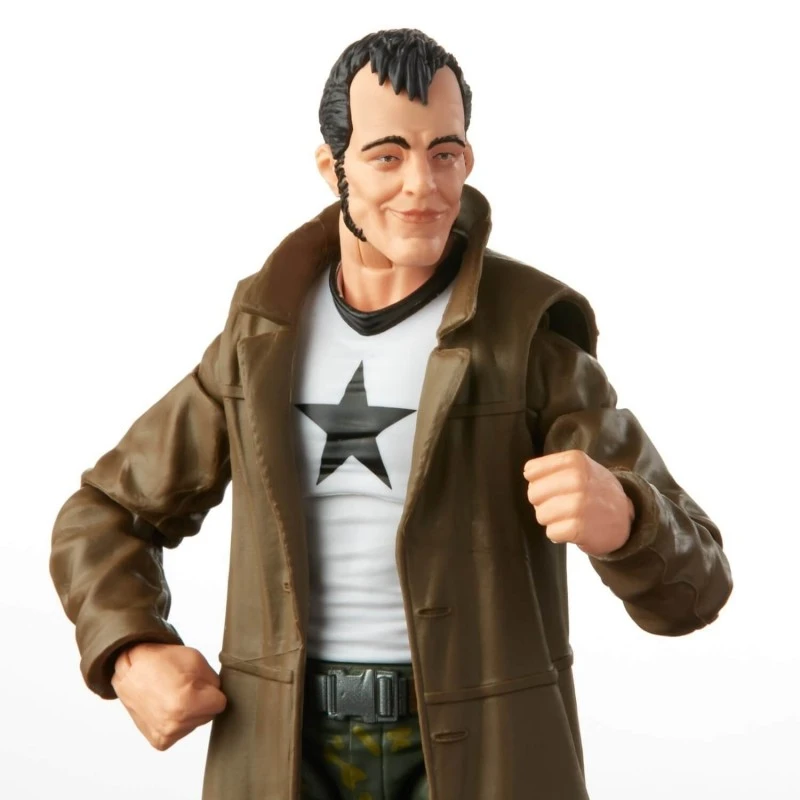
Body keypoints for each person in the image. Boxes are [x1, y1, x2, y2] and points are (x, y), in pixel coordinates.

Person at [50, 28, 732, 800]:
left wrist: (630, 520)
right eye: (387, 156)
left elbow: (697, 588)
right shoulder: (261, 337)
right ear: (332, 168)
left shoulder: (527, 338)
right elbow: (103, 513)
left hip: (479, 753)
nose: (422, 185)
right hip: (284, 748)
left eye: (445, 153)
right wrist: (130, 649)